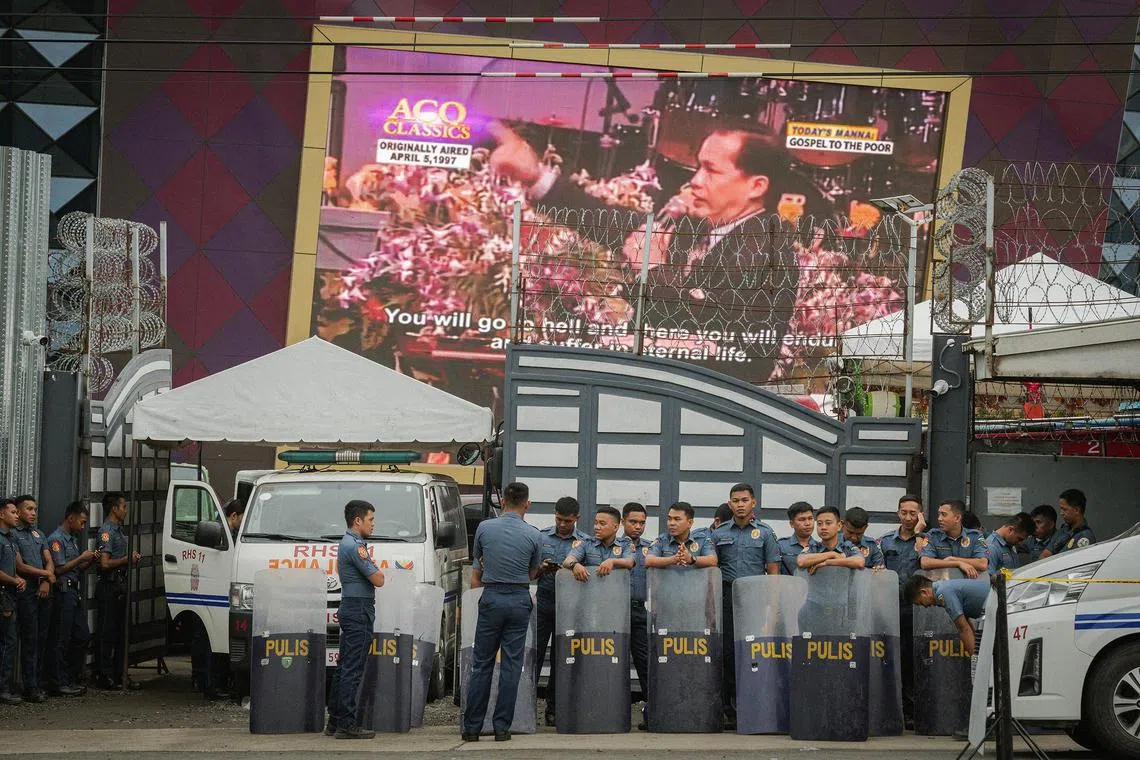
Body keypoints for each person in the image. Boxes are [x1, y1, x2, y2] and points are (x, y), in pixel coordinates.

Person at [490, 124, 799, 381]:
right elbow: (608, 223)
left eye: (711, 170)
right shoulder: (697, 227)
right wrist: (535, 177)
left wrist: (650, 270)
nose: (695, 181)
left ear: (756, 186)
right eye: (697, 167)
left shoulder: (769, 252)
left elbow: (718, 348)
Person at [462, 482, 544, 743]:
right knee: (511, 665)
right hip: (519, 599)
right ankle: (501, 729)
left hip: (492, 597)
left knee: (482, 664)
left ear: (503, 501)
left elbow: (479, 563)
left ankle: (472, 728)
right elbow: (532, 573)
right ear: (527, 504)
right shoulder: (534, 534)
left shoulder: (485, 528)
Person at [711, 483, 779, 730]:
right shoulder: (718, 534)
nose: (740, 504)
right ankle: (729, 711)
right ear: (729, 504)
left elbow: (773, 573)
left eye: (744, 500)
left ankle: (753, 707)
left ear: (753, 503)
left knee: (754, 653)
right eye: (735, 501)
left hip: (756, 597)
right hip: (727, 597)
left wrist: (771, 610)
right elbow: (710, 570)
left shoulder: (765, 533)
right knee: (728, 654)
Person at [326, 500, 385, 740]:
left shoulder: (348, 543)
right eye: (370, 519)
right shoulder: (355, 546)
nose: (373, 524)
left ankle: (335, 721)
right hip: (359, 609)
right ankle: (347, 724)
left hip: (352, 607)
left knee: (344, 667)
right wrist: (377, 571)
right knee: (353, 668)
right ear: (357, 520)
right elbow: (378, 579)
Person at [534, 496, 586, 727]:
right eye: (559, 519)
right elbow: (530, 571)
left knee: (561, 659)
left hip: (570, 606)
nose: (562, 524)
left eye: (567, 520)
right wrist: (542, 569)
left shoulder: (585, 542)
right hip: (544, 603)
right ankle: (525, 705)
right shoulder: (541, 537)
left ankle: (553, 709)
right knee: (533, 655)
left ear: (577, 518)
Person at [879, 494, 926, 730]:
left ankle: (910, 712)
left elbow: (928, 565)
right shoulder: (886, 542)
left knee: (911, 661)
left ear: (921, 515)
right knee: (888, 658)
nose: (908, 517)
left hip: (916, 611)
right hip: (889, 609)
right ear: (898, 513)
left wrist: (919, 535)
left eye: (913, 513)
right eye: (904, 512)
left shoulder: (926, 540)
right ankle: (888, 709)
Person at [45, 501, 97, 697]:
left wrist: (89, 560)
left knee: (82, 635)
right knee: (61, 638)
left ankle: (71, 676)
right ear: (71, 517)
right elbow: (59, 569)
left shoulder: (71, 539)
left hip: (73, 593)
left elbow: (75, 569)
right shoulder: (56, 539)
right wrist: (81, 558)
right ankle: (58, 682)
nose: (83, 527)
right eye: (81, 522)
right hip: (63, 593)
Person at [94, 492, 141, 691]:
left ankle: (120, 673)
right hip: (109, 586)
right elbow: (104, 563)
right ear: (114, 508)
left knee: (123, 633)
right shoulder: (107, 531)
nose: (125, 510)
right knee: (108, 632)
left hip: (120, 585)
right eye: (123, 507)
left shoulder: (119, 530)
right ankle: (104, 675)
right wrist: (126, 560)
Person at [796, 507, 865, 635]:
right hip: (815, 608)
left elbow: (859, 562)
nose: (823, 527)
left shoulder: (848, 547)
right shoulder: (813, 547)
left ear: (839, 525)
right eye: (820, 523)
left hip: (843, 610)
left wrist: (827, 563)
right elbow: (801, 561)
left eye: (828, 523)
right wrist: (832, 554)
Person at [12, 495, 54, 703]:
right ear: (18, 512)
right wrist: (45, 575)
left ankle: (37, 681)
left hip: (43, 590)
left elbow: (49, 559)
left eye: (35, 509)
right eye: (29, 509)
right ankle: (29, 685)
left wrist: (46, 581)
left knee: (41, 638)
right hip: (26, 593)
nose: (33, 513)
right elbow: (20, 566)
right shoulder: (13, 535)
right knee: (29, 638)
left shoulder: (39, 533)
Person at [621, 502, 652, 731]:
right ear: (622, 522)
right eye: (633, 522)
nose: (638, 527)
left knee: (645, 663)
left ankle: (653, 713)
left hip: (639, 610)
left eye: (642, 522)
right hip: (613, 612)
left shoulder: (651, 549)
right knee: (613, 664)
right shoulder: (610, 545)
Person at [904, 575, 990, 657]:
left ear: (924, 592)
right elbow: (968, 626)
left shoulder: (943, 592)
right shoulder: (943, 588)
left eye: (921, 603)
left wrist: (978, 665)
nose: (925, 607)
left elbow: (963, 629)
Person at [0, 498, 27, 704]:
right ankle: (3, 688)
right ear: (2, 514)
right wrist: (14, 579)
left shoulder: (10, 539)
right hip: (3, 595)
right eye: (12, 512)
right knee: (6, 643)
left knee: (9, 642)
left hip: (10, 594)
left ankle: (7, 685)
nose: (17, 515)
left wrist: (18, 579)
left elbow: (16, 565)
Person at [920, 500, 988, 578]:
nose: (939, 518)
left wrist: (952, 559)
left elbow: (982, 564)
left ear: (957, 518)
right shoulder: (933, 535)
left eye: (944, 515)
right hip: (940, 584)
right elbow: (925, 562)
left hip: (966, 584)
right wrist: (957, 563)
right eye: (939, 514)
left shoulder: (975, 536)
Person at [563, 506, 635, 579]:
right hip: (591, 589)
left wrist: (612, 561)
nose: (597, 527)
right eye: (596, 523)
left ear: (615, 527)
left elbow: (629, 562)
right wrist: (574, 565)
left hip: (615, 589)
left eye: (602, 524)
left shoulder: (625, 544)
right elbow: (568, 560)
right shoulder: (586, 542)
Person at [646, 502, 718, 568]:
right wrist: (673, 559)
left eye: (677, 519)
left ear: (689, 523)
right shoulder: (662, 540)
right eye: (669, 519)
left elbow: (713, 560)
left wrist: (691, 559)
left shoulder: (702, 539)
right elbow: (649, 560)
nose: (671, 523)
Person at [1041, 489, 1095, 558]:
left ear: (1076, 510)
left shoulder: (1085, 537)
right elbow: (1045, 555)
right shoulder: (1063, 529)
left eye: (1064, 509)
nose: (1061, 513)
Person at [986, 513, 1034, 577]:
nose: (1020, 543)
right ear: (1010, 530)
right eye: (1019, 539)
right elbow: (988, 579)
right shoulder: (991, 547)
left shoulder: (1010, 544)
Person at [777, 501, 815, 576]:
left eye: (810, 518)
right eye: (802, 519)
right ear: (792, 524)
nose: (807, 523)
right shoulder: (781, 546)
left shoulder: (819, 547)